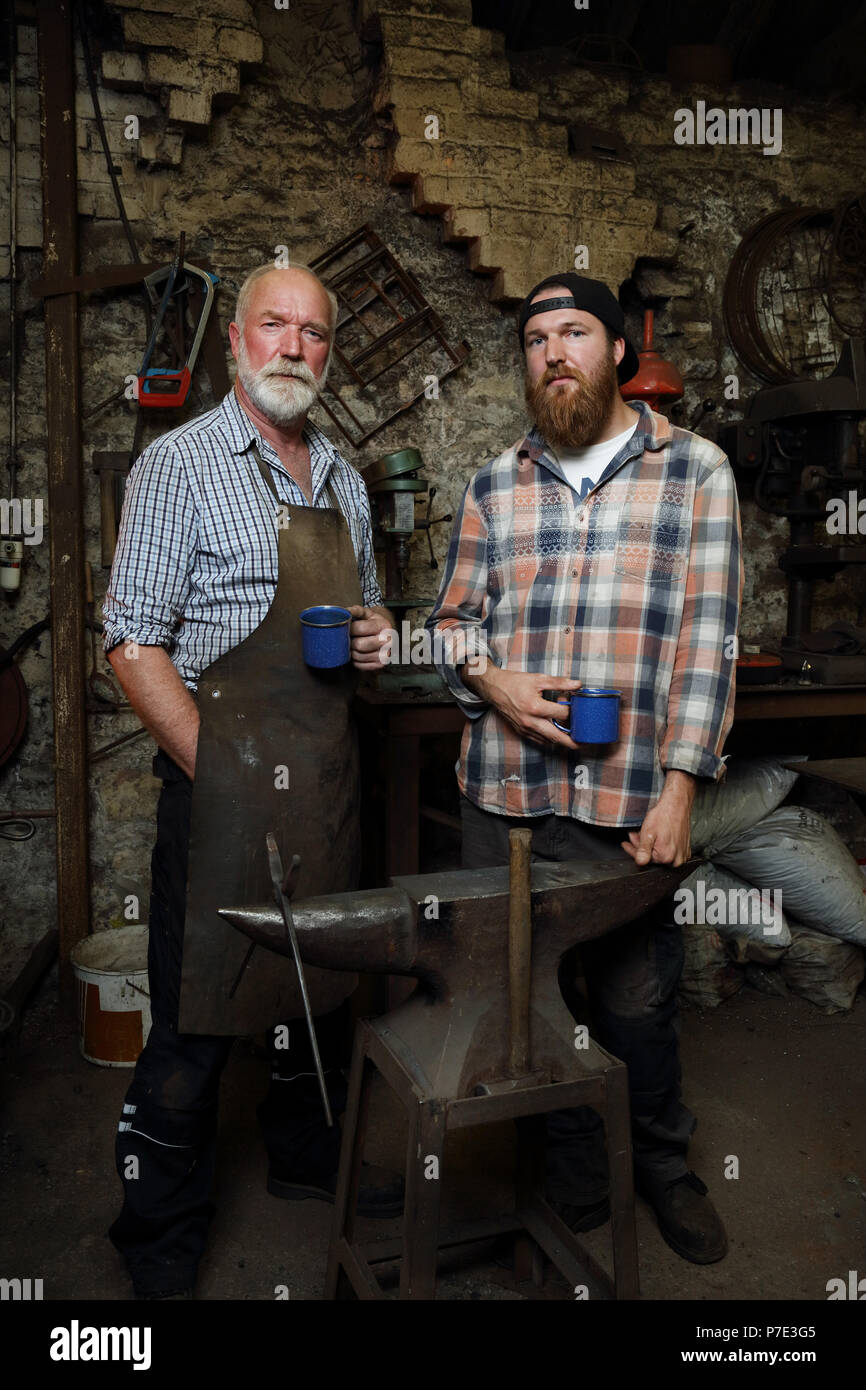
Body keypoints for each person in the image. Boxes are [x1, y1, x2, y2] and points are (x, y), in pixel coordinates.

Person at [426, 272, 743, 1265]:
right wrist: (497, 683)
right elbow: (445, 627)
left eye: (573, 332)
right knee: (522, 998)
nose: (551, 352)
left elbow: (708, 640)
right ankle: (565, 1177)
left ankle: (660, 1163)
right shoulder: (494, 481)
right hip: (505, 797)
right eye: (533, 338)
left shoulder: (694, 471)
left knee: (638, 998)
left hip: (629, 799)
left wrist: (683, 786)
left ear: (616, 351)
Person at [103, 263, 402, 1300]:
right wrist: (226, 784)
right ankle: (158, 1235)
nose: (293, 346)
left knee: (315, 991)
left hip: (322, 778)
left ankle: (305, 1158)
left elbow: (361, 619)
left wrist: (376, 636)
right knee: (194, 1024)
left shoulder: (346, 482)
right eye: (273, 324)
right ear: (235, 341)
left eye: (312, 332)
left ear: (326, 352)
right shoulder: (179, 464)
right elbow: (134, 645)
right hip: (218, 783)